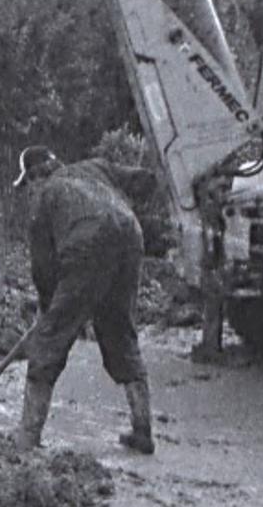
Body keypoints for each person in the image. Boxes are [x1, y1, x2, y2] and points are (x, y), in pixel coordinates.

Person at [12, 145, 158, 454]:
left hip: (86, 242)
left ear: (38, 176)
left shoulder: (45, 199)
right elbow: (144, 180)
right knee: (120, 332)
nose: (29, 192)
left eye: (28, 184)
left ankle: (27, 437)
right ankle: (142, 429)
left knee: (49, 342)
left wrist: (50, 309)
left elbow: (43, 268)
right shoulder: (96, 166)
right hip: (130, 236)